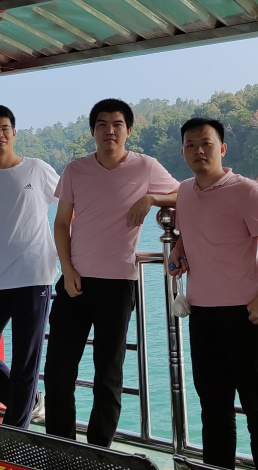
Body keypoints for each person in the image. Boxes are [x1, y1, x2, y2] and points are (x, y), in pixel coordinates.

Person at [44, 98, 179, 447]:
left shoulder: (146, 166)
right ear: (93, 131)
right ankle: (60, 447)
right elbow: (61, 223)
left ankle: (98, 450)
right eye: (101, 124)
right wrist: (67, 269)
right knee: (58, 372)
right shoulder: (76, 169)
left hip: (119, 284)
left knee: (108, 374)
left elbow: (185, 193)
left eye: (117, 124)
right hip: (74, 282)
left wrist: (152, 199)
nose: (109, 130)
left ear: (128, 130)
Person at [170, 118, 258, 470]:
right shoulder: (184, 191)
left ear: (222, 148)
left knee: (257, 405)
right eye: (190, 145)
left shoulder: (247, 191)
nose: (198, 151)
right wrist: (179, 250)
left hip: (245, 311)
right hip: (202, 312)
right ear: (183, 152)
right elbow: (190, 230)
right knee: (213, 407)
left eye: (206, 143)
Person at [0, 104, 60, 429]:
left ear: (14, 133)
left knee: (25, 363)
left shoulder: (37, 169)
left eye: (5, 128)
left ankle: (16, 434)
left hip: (34, 276)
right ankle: (30, 403)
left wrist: (70, 250)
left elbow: (71, 204)